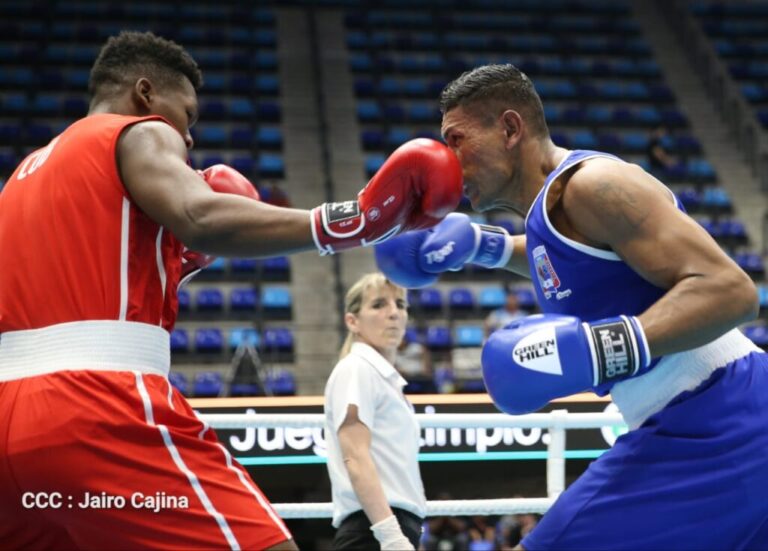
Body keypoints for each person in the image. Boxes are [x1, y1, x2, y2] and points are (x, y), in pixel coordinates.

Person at [0, 31, 462, 549]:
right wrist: (349, 222)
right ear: (146, 94)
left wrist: (177, 266)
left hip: (8, 427)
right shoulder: (136, 132)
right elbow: (198, 214)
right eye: (188, 116)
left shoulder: (23, 176)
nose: (189, 138)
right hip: (95, 407)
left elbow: (75, 290)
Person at [375, 63, 768, 549]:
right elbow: (568, 258)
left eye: (456, 141)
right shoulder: (551, 214)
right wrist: (485, 246)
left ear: (510, 128)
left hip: (720, 415)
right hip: (705, 419)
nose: (448, 164)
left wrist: (602, 350)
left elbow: (732, 291)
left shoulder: (593, 184)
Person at [324, 273, 426, 550]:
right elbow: (355, 457)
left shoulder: (383, 377)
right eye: (379, 305)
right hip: (373, 529)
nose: (393, 313)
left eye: (400, 304)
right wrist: (389, 534)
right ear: (352, 321)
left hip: (388, 525)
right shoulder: (357, 368)